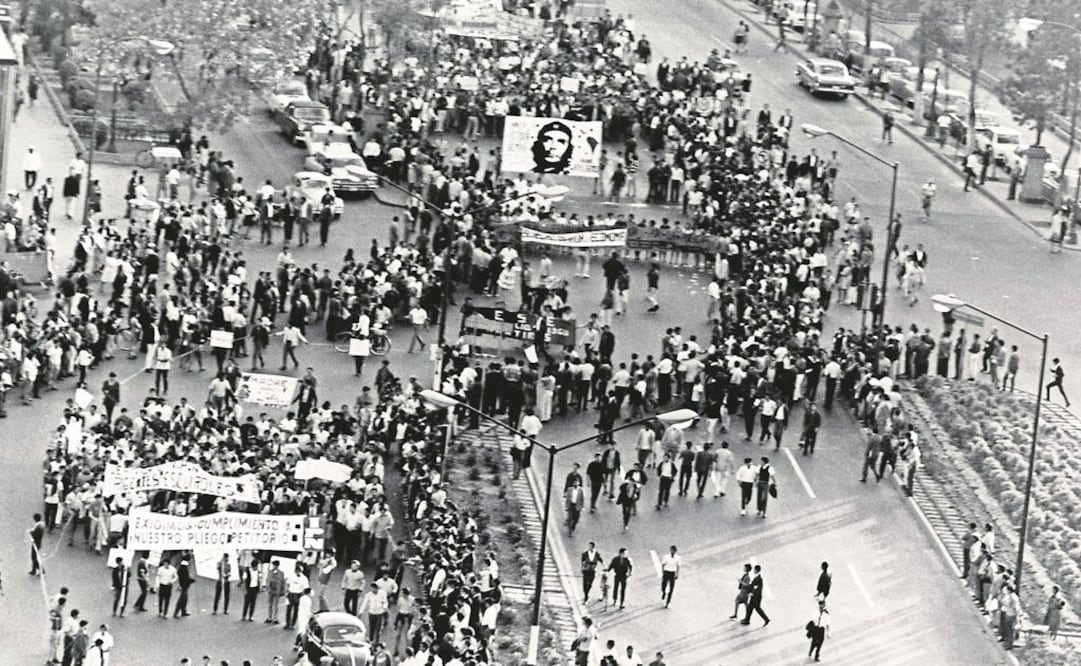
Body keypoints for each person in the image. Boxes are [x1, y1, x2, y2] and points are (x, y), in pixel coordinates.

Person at [807, 596, 831, 661]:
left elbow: (828, 623)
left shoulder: (826, 614)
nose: (822, 607)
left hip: (821, 629)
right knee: (814, 642)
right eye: (821, 606)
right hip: (816, 629)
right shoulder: (816, 613)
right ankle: (811, 651)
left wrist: (828, 632)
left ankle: (816, 656)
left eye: (823, 606)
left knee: (820, 643)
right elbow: (812, 620)